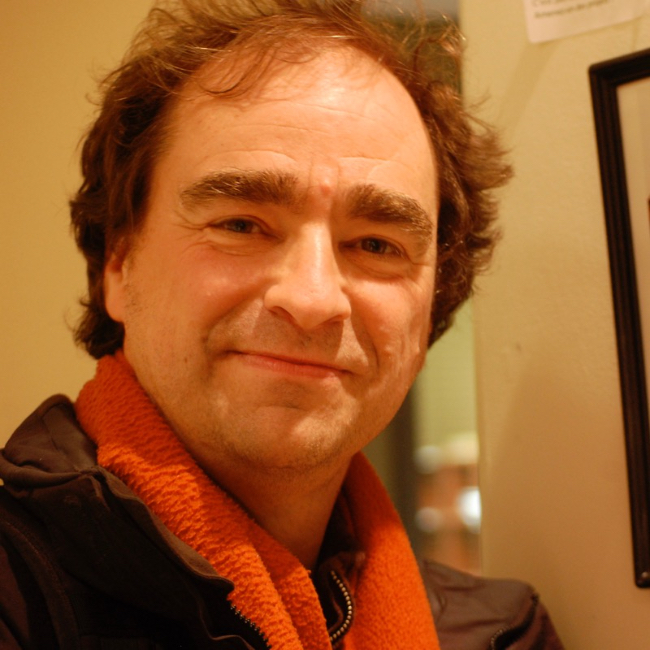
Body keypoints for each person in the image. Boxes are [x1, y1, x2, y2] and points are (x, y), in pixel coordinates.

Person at [0, 1, 564, 648]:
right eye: (241, 225)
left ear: (433, 305)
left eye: (376, 244)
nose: (313, 298)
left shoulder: (501, 634)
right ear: (119, 266)